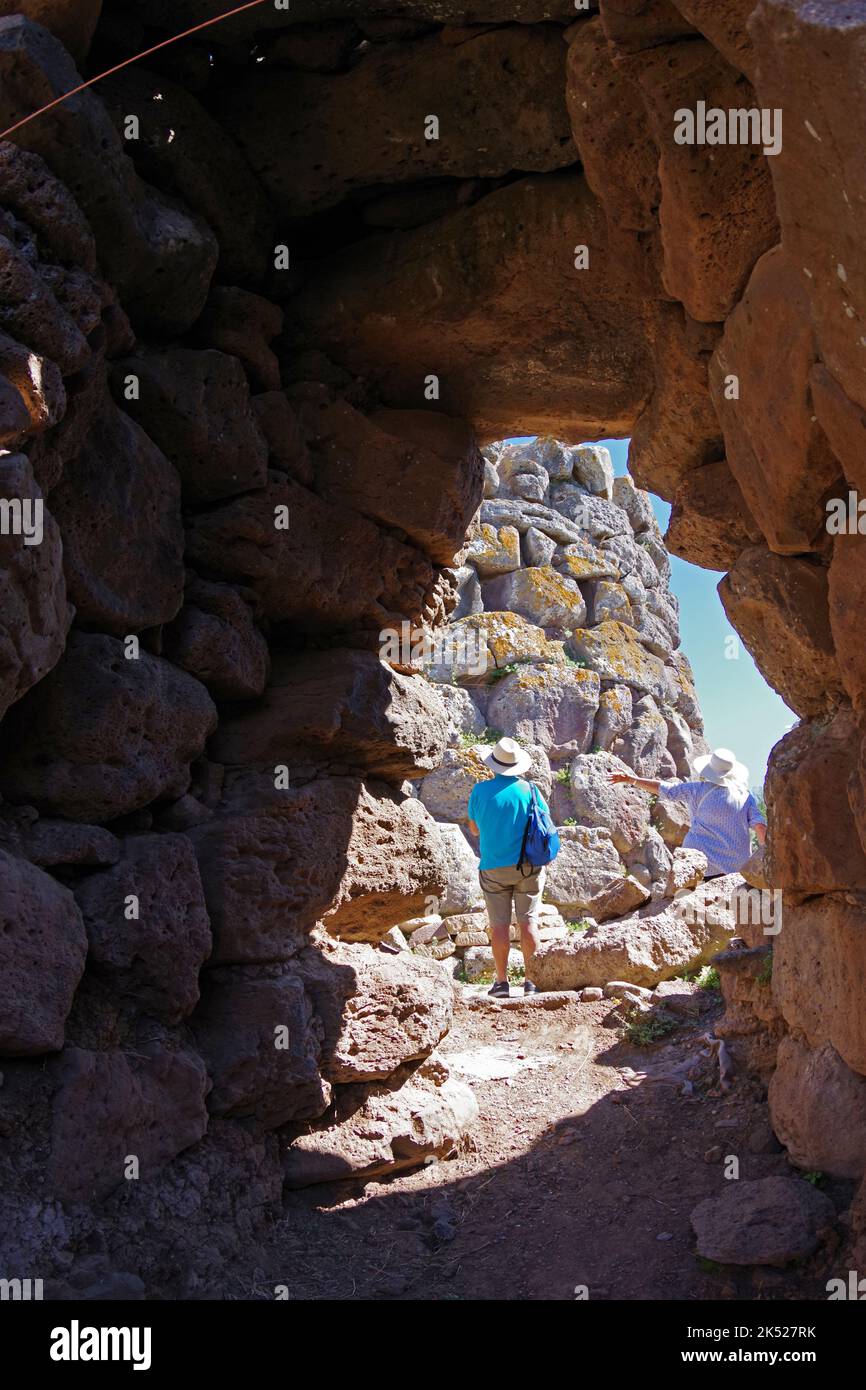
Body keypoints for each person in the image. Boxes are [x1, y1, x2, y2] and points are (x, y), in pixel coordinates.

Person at [467, 736, 551, 998]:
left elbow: (474, 828)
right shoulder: (531, 791)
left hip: (493, 868)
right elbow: (545, 825)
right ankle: (531, 982)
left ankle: (502, 982)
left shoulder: (479, 791)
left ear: (494, 764)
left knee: (499, 926)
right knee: (529, 923)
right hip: (528, 867)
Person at [608, 747, 766, 878]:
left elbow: (665, 789)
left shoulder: (697, 790)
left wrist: (632, 780)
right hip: (735, 869)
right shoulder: (746, 796)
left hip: (701, 865)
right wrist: (766, 859)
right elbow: (760, 827)